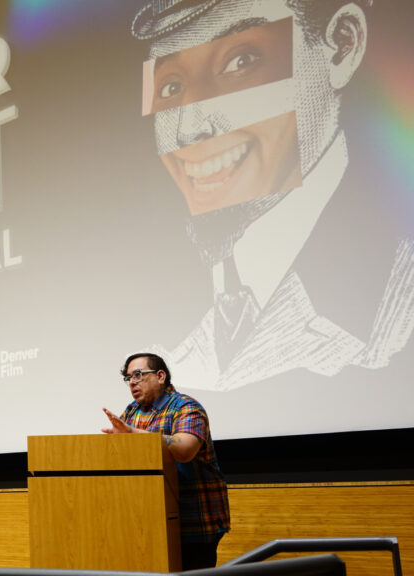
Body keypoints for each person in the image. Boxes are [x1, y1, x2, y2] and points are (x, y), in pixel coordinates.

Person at [134, 0, 414, 391]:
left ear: (342, 46)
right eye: (171, 87)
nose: (189, 128)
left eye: (240, 62)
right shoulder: (147, 306)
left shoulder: (400, 291)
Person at [102, 352, 229, 570]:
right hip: (148, 520)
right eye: (128, 378)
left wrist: (133, 434)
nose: (132, 382)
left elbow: (185, 449)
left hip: (194, 521)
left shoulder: (186, 407)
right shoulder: (132, 412)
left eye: (138, 375)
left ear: (160, 376)